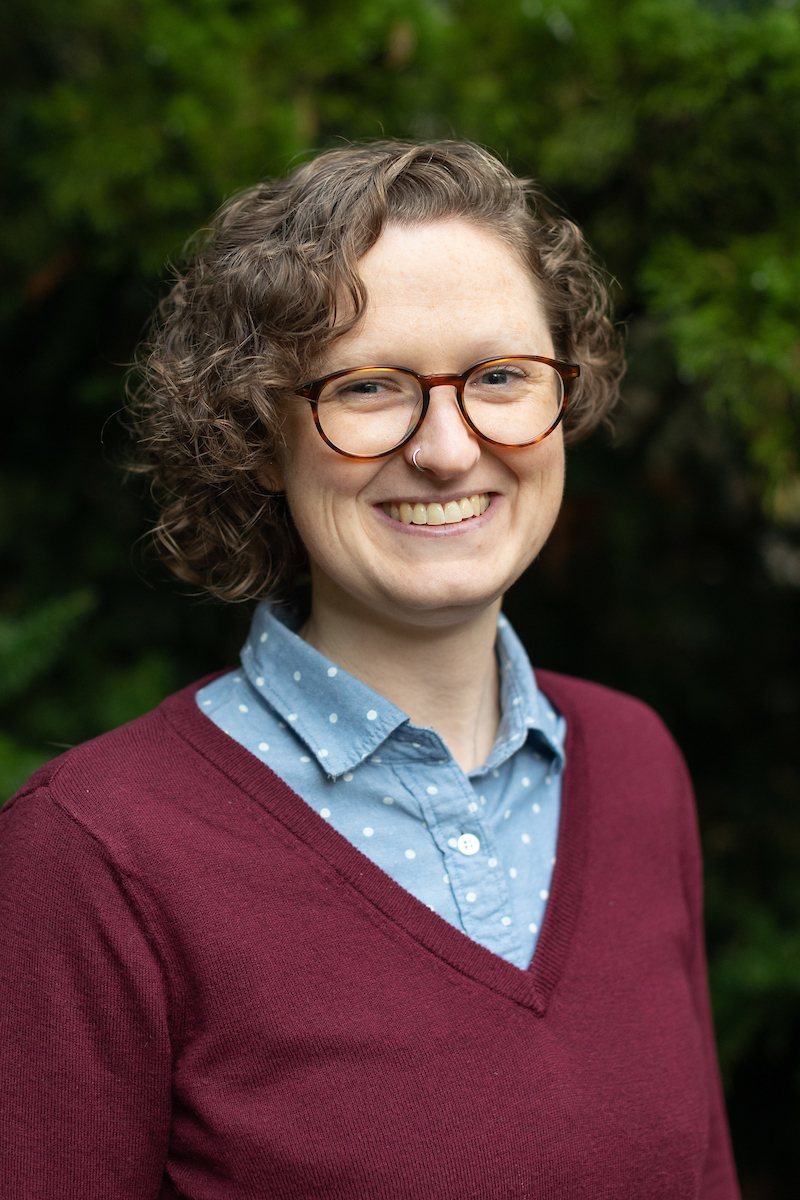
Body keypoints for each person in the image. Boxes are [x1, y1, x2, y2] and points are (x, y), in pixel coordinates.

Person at [0, 141, 739, 1198]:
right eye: (369, 386)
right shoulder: (96, 853)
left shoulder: (632, 765)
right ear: (260, 432)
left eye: (498, 377)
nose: (445, 447)